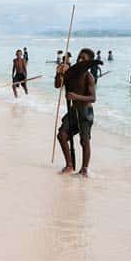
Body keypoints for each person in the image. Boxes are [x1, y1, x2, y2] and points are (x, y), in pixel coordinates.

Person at [55, 49, 97, 177]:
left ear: (89, 62)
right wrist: (59, 74)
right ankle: (69, 165)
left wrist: (75, 96)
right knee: (62, 135)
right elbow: (58, 85)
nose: (80, 60)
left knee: (84, 141)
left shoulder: (88, 76)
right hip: (73, 111)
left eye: (84, 59)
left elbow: (92, 98)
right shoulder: (71, 74)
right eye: (79, 57)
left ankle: (84, 169)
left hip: (85, 111)